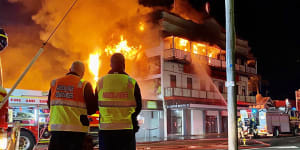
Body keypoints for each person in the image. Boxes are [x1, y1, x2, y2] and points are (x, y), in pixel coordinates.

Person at [96, 53, 142, 150]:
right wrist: (132, 117)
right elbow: (139, 106)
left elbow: (96, 105)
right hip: (126, 131)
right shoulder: (131, 82)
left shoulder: (101, 82)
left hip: (106, 131)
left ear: (111, 65)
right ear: (124, 65)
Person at [47, 61, 98, 150]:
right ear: (82, 73)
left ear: (70, 70)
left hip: (57, 131)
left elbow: (49, 105)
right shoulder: (84, 84)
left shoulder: (55, 83)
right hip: (77, 133)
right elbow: (92, 109)